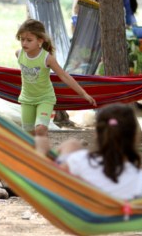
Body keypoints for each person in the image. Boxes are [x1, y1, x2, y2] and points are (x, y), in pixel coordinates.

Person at [15, 19, 96, 154]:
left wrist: (83, 94)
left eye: (29, 40)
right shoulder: (19, 54)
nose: (24, 43)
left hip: (45, 99)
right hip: (26, 99)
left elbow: (64, 76)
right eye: (22, 39)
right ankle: (33, 159)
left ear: (40, 41)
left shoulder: (47, 58)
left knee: (40, 129)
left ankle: (45, 158)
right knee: (28, 135)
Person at [55, 103, 142, 200]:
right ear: (134, 137)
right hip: (118, 218)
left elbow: (57, 179)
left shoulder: (80, 160)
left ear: (96, 134)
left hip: (79, 213)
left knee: (71, 144)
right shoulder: (140, 178)